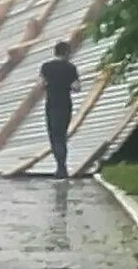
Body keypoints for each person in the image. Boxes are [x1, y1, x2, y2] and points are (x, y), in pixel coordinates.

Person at [40, 41, 81, 178]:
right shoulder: (70, 68)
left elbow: (41, 84)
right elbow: (77, 87)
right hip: (65, 105)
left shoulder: (46, 67)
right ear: (66, 53)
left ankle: (60, 167)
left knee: (54, 137)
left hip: (51, 104)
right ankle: (62, 167)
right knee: (61, 136)